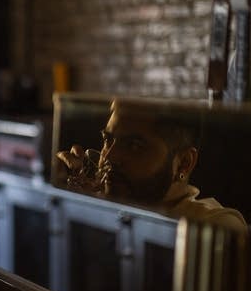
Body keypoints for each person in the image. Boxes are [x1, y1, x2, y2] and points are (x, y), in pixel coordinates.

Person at [56, 97, 247, 230]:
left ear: (183, 164)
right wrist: (78, 205)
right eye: (108, 140)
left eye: (134, 146)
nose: (110, 157)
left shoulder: (217, 224)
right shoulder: (112, 203)